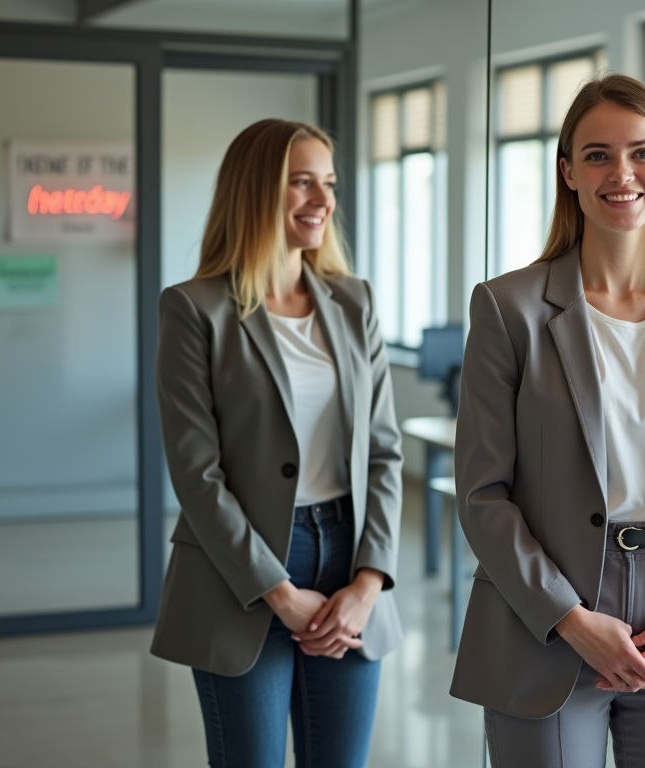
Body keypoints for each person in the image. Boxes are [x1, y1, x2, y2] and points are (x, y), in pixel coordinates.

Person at [449, 74, 645, 768]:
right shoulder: (509, 308)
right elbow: (481, 493)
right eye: (597, 155)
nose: (622, 174)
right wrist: (568, 618)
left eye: (642, 153)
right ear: (567, 172)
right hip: (546, 617)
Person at [149, 119, 404, 768]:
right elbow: (195, 473)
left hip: (348, 557)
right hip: (244, 570)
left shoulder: (354, 303)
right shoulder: (193, 309)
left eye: (330, 183)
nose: (323, 200)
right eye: (301, 183)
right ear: (256, 192)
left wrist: (369, 582)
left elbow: (382, 452)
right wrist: (280, 594)